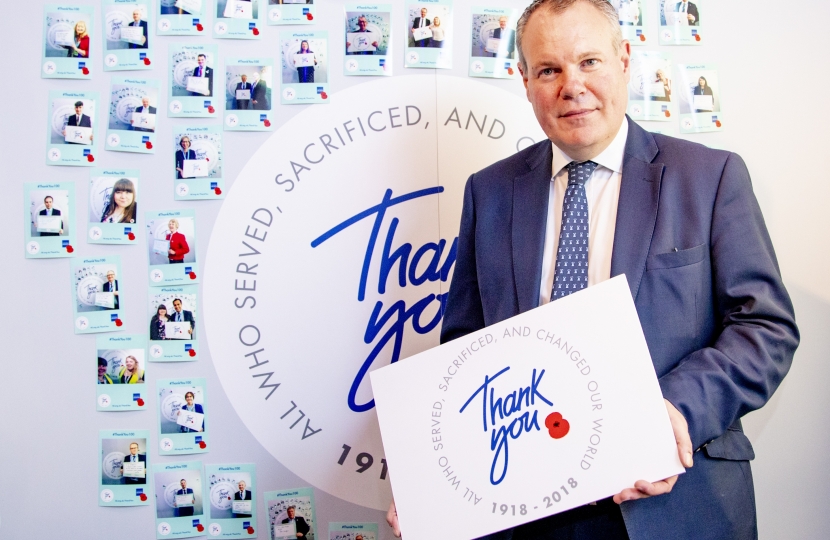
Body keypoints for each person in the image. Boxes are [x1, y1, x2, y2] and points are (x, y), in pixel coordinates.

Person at [386, 1, 798, 539]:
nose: (571, 86)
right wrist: (432, 480)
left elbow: (765, 328)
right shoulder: (489, 192)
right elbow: (466, 353)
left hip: (676, 504)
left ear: (624, 60)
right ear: (526, 80)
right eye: (550, 69)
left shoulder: (711, 176)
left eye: (589, 62)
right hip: (529, 510)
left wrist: (675, 410)